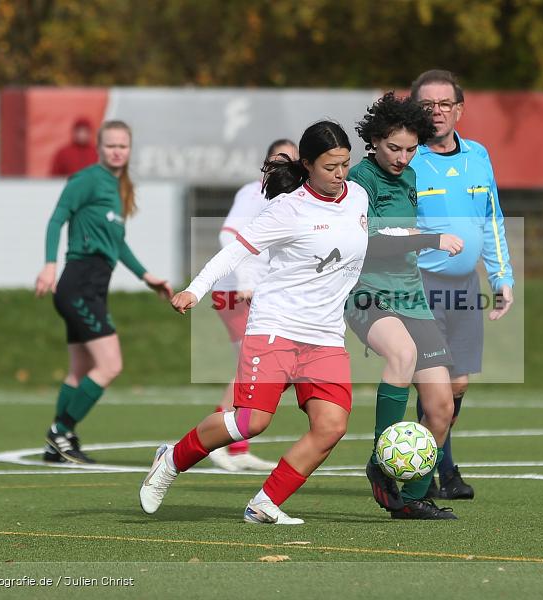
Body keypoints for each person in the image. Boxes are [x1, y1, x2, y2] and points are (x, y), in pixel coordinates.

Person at [139, 121, 370, 525]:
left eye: (345, 165)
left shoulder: (359, 198)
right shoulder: (288, 208)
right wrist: (195, 289)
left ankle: (266, 501)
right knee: (251, 422)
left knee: (331, 426)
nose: (340, 175)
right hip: (276, 327)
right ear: (308, 165)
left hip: (326, 336)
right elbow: (233, 253)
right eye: (330, 166)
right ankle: (171, 459)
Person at [344, 92, 464, 520]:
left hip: (411, 295)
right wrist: (432, 239)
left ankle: (412, 497)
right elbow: (371, 243)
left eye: (411, 149)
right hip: (366, 292)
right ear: (374, 140)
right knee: (402, 353)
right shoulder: (359, 181)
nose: (402, 157)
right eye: (394, 147)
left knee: (441, 407)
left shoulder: (410, 177)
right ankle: (381, 460)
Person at [35, 120, 174, 464]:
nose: (116, 151)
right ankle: (60, 432)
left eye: (122, 146)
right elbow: (56, 219)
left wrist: (147, 276)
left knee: (79, 370)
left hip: (92, 286)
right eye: (110, 145)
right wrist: (49, 264)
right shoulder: (86, 180)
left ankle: (59, 443)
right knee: (110, 365)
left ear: (129, 150)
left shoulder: (118, 187)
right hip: (78, 283)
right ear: (99, 148)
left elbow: (117, 243)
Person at [410, 69, 515, 500]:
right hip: (419, 286)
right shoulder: (406, 159)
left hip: (466, 287)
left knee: (457, 386)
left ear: (459, 110)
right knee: (434, 385)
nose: (436, 112)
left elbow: (492, 220)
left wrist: (501, 276)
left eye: (444, 104)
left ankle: (424, 461)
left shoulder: (478, 156)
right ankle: (431, 472)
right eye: (427, 105)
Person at [207, 138, 298, 472]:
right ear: (266, 162)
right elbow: (227, 235)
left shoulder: (293, 197)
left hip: (261, 294)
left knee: (256, 368)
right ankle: (216, 441)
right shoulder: (253, 192)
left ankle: (236, 447)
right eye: (279, 158)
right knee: (252, 366)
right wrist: (246, 280)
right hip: (236, 291)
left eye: (292, 159)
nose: (285, 164)